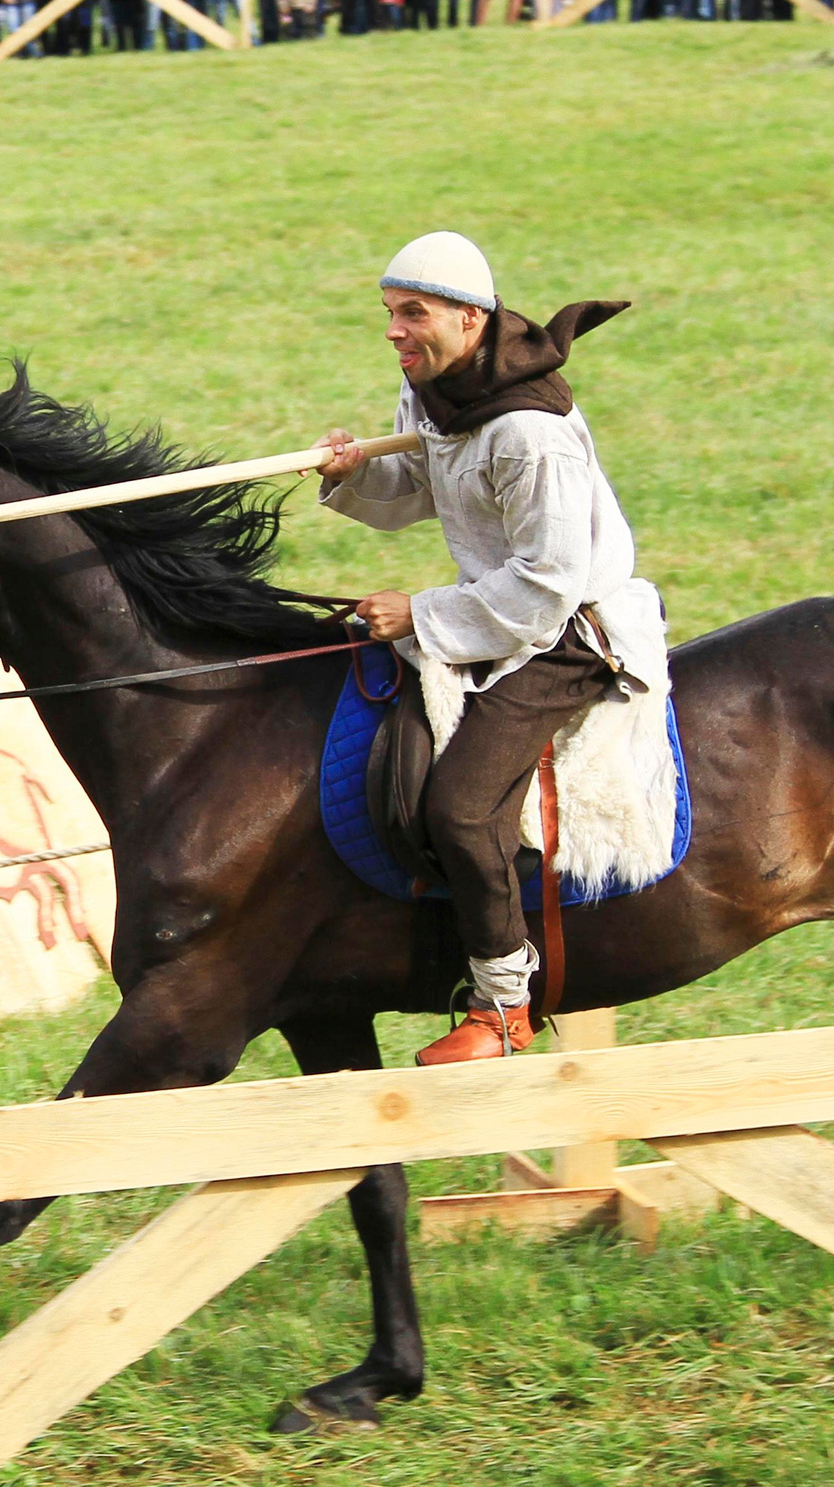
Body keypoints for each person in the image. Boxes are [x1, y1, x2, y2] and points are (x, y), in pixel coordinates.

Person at [318, 232, 665, 1066]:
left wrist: (421, 613)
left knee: (461, 804)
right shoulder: (435, 390)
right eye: (389, 314)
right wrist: (352, 470)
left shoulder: (527, 435)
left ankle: (503, 1004)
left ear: (470, 319)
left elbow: (547, 583)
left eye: (413, 314)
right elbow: (421, 490)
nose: (394, 332)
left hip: (570, 634)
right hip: (501, 611)